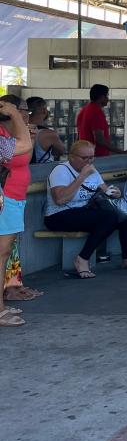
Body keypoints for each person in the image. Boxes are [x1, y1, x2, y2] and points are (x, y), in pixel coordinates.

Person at [44, 140, 127, 277]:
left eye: (92, 157)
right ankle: (82, 259)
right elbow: (60, 200)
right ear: (71, 156)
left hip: (82, 211)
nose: (89, 161)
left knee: (124, 215)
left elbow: (105, 190)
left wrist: (114, 193)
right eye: (84, 158)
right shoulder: (61, 170)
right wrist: (82, 176)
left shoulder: (92, 170)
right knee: (109, 218)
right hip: (58, 215)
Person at [0, 97, 33, 327]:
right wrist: (14, 115)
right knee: (1, 254)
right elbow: (24, 147)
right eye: (22, 111)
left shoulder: (5, 135)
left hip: (12, 198)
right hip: (7, 198)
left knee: (4, 254)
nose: (25, 115)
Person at [76, 83, 121, 156]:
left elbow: (79, 137)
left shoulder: (83, 110)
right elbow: (99, 139)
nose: (108, 99)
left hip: (86, 155)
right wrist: (121, 152)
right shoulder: (96, 112)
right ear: (102, 97)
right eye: (107, 96)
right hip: (97, 157)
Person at [26, 96, 65, 163]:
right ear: (44, 111)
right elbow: (61, 151)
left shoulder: (17, 130)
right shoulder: (49, 134)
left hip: (23, 169)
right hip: (43, 170)